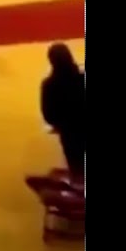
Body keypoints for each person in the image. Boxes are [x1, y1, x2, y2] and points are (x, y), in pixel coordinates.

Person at [40, 43, 85, 178]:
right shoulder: (82, 78)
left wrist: (60, 123)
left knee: (78, 175)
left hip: (69, 135)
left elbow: (48, 115)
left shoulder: (49, 84)